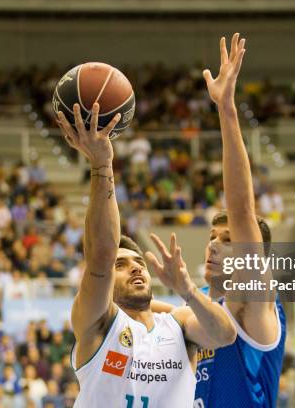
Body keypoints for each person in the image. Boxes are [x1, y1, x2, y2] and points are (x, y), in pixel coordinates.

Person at [56, 102, 236, 407]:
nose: (135, 269)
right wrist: (102, 165)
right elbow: (100, 257)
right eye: (122, 265)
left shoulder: (178, 325)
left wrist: (187, 290)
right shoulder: (98, 324)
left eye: (139, 263)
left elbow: (224, 336)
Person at [152, 34, 286, 407]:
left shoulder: (253, 301)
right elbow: (152, 307)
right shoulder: (202, 311)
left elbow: (243, 210)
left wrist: (226, 109)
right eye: (213, 236)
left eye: (227, 240)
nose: (213, 244)